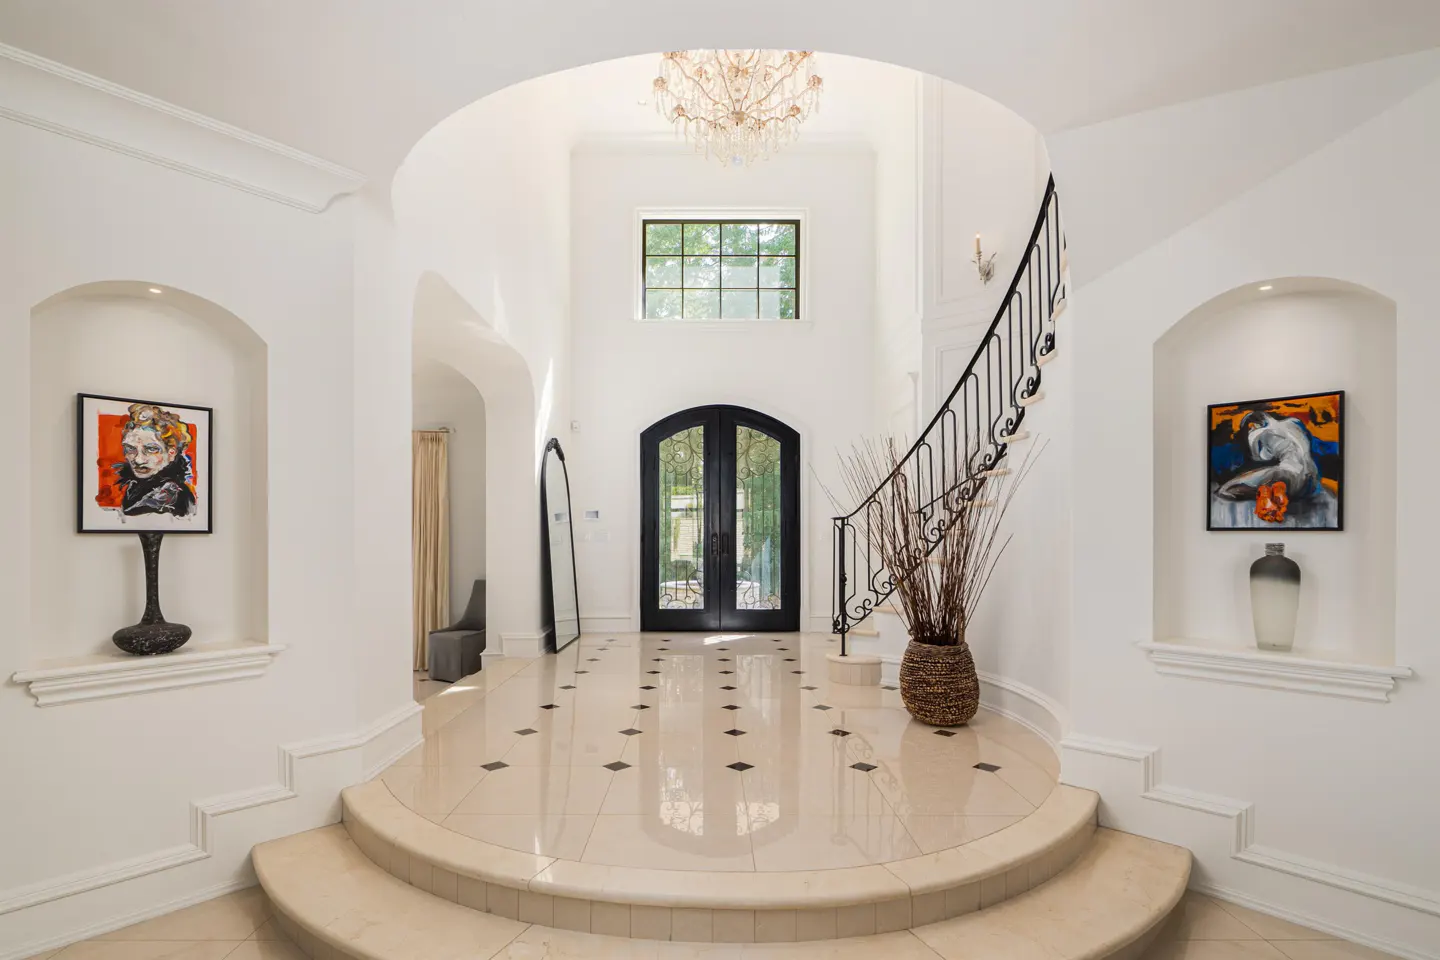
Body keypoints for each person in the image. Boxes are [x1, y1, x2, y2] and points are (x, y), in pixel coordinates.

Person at [114, 403, 196, 518]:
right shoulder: (136, 487)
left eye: (151, 449)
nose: (138, 460)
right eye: (130, 449)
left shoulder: (169, 495)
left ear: (171, 453)